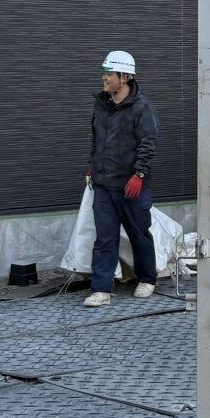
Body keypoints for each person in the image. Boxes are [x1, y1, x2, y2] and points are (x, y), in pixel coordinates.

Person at [84, 49, 160, 307]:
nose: (104, 79)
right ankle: (102, 289)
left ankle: (147, 278)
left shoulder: (141, 108)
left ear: (124, 77)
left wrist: (139, 174)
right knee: (105, 238)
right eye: (104, 74)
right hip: (104, 184)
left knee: (139, 233)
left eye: (109, 74)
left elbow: (148, 143)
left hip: (131, 185)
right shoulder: (101, 104)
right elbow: (96, 139)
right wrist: (92, 167)